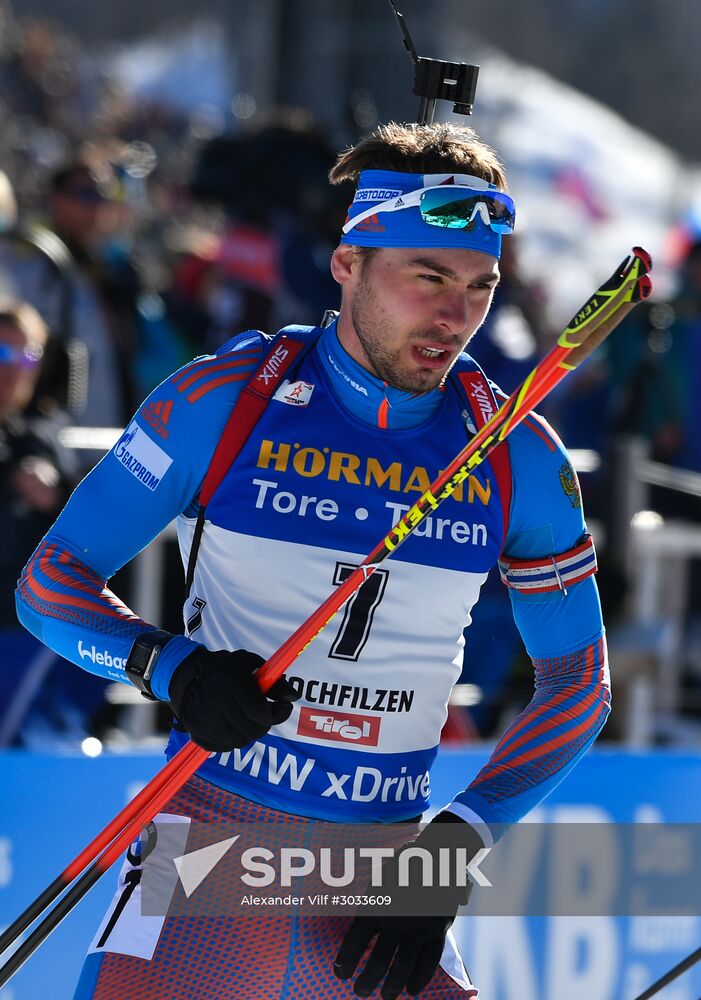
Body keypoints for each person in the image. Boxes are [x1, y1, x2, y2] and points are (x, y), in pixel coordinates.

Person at [16, 122, 610, 999]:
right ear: (347, 264)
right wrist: (170, 667)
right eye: (428, 278)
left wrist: (455, 849)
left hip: (383, 877)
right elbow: (48, 582)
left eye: (479, 287)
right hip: (197, 847)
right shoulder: (227, 399)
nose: (456, 317)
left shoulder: (514, 452)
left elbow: (578, 683)